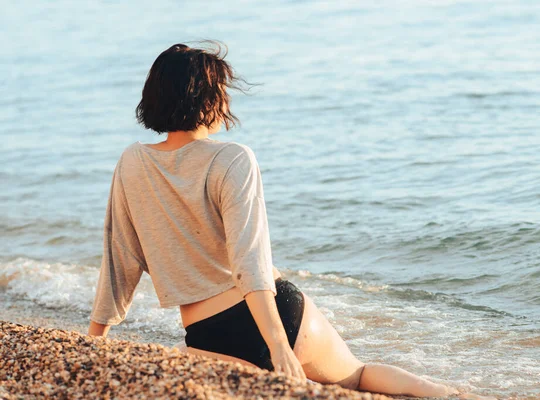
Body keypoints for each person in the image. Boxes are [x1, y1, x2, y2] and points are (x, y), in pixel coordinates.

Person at [87, 42, 492, 399]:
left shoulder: (132, 162)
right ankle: (452, 395)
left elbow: (120, 258)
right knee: (355, 378)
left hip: (206, 335)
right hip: (273, 315)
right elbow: (250, 260)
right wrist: (278, 345)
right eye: (223, 92)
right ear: (209, 98)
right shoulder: (232, 158)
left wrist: (92, 345)